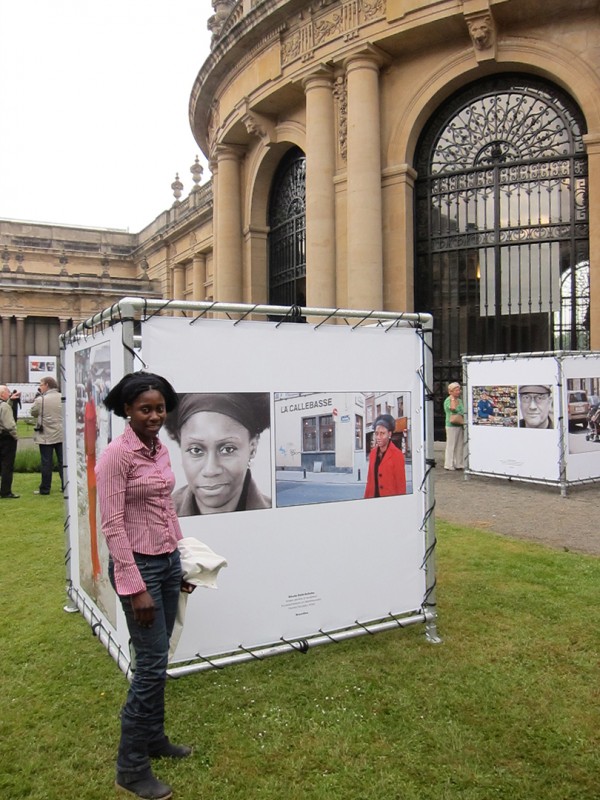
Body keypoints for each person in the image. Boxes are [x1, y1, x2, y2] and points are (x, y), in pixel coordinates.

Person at [95, 371, 196, 800]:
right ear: (126, 410)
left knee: (160, 657)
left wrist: (181, 559)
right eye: (145, 409)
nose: (155, 416)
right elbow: (112, 525)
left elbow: (164, 508)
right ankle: (131, 768)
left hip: (167, 562)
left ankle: (154, 738)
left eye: (160, 408)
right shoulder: (116, 456)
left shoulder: (159, 450)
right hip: (138, 568)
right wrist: (135, 586)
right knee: (151, 666)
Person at [164, 392, 271, 516]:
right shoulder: (155, 520)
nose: (211, 470)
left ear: (252, 447)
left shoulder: (278, 516)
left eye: (228, 449)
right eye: (196, 450)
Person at [31, 376, 64, 495]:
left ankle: (45, 488)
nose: (40, 387)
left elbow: (33, 412)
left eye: (41, 384)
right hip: (61, 434)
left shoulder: (41, 400)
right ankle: (64, 485)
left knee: (46, 462)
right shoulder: (62, 397)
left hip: (46, 435)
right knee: (63, 462)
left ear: (47, 385)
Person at [364, 413, 406, 497]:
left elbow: (401, 486)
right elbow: (369, 482)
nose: (378, 437)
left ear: (389, 434)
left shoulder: (397, 455)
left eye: (382, 433)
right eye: (376, 433)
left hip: (389, 504)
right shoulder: (372, 453)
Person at [0, 385, 19, 498]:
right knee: (7, 465)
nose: (9, 393)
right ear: (2, 394)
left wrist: (11, 401)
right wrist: (15, 436)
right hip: (6, 438)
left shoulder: (5, 405)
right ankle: (6, 491)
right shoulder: (5, 407)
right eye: (7, 391)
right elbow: (9, 424)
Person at [444, 382, 464, 470]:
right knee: (451, 445)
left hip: (459, 423)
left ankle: (458, 463)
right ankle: (449, 464)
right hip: (451, 424)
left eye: (459, 390)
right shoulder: (448, 400)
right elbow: (453, 409)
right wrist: (452, 399)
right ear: (450, 391)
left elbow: (463, 410)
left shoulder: (460, 400)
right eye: (456, 390)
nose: (458, 392)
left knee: (459, 445)